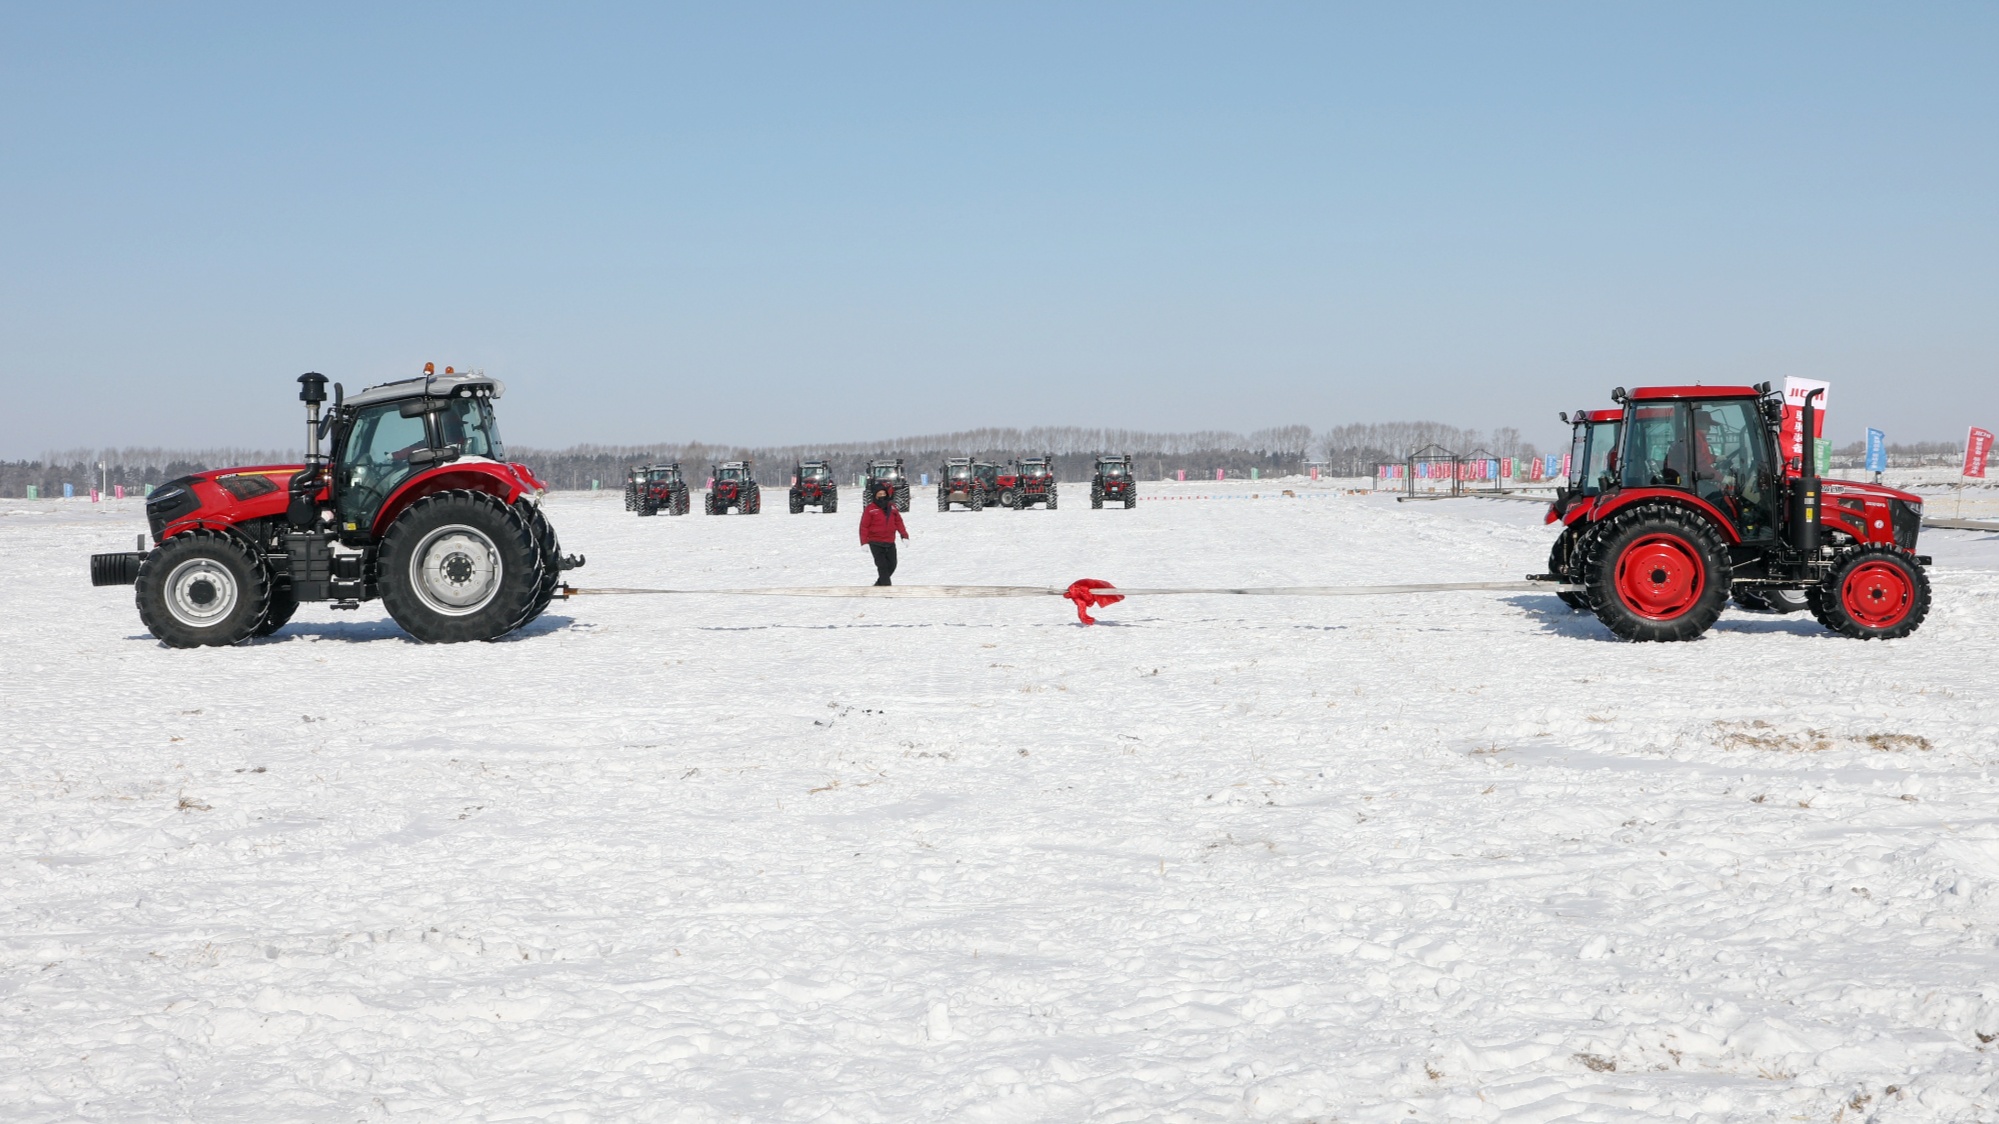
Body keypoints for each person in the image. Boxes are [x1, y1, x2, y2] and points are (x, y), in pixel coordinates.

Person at [859, 484, 909, 585]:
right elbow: (864, 526)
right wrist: (864, 542)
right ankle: (887, 589)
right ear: (875, 495)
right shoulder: (870, 509)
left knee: (892, 565)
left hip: (890, 542)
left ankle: (878, 585)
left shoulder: (892, 507)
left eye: (883, 493)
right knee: (882, 566)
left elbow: (899, 522)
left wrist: (904, 535)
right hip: (875, 542)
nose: (882, 496)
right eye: (879, 494)